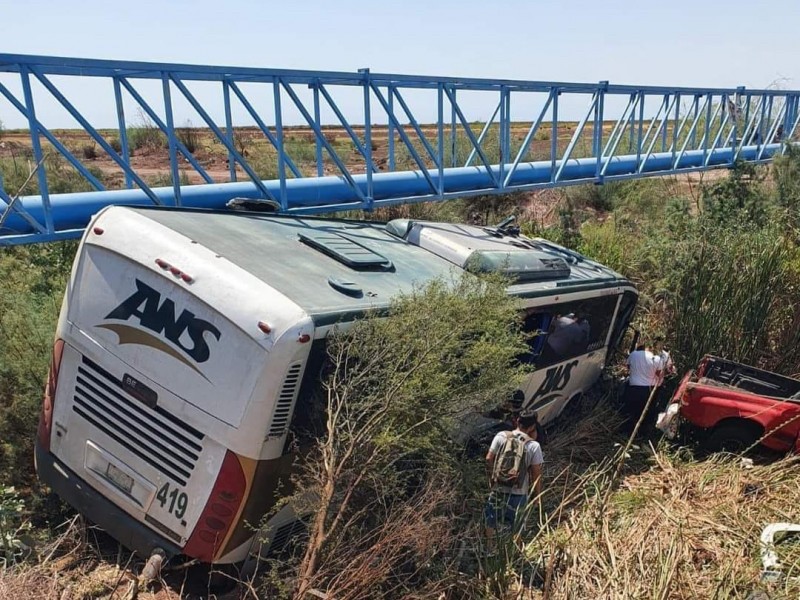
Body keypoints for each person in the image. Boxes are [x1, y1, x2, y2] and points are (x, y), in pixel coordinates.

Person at [484, 413, 543, 548]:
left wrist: (492, 478)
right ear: (532, 427)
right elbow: (536, 473)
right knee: (517, 525)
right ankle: (514, 551)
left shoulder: (501, 436)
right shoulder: (533, 446)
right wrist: (537, 495)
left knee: (490, 520)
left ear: (517, 421)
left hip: (498, 489)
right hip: (519, 493)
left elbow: (488, 458)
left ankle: (488, 547)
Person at [621, 338, 662, 434]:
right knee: (646, 412)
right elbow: (659, 374)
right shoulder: (657, 359)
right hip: (648, 390)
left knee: (631, 411)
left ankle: (628, 432)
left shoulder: (633, 354)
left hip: (633, 388)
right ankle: (643, 433)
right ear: (651, 348)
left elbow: (628, 367)